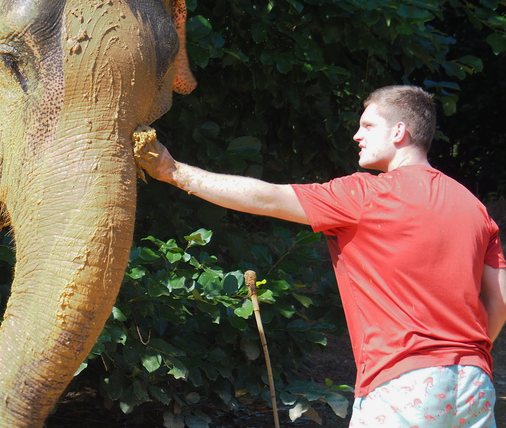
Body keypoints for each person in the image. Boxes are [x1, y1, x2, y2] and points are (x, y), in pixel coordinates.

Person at [138, 85, 506, 427]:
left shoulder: (365, 195)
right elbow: (500, 302)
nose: (356, 136)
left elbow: (267, 197)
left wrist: (174, 172)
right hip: (474, 385)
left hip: (403, 384)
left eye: (367, 125)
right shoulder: (474, 208)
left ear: (399, 132)